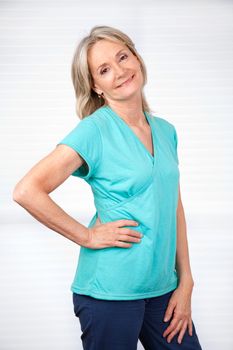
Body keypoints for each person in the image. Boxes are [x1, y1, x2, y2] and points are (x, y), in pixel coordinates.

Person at [13, 25, 203, 350]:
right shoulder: (93, 132)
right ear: (96, 87)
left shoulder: (167, 131)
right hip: (109, 292)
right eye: (104, 69)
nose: (119, 71)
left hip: (163, 290)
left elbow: (174, 205)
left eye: (122, 57)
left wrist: (185, 281)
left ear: (137, 58)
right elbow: (27, 190)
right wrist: (86, 236)